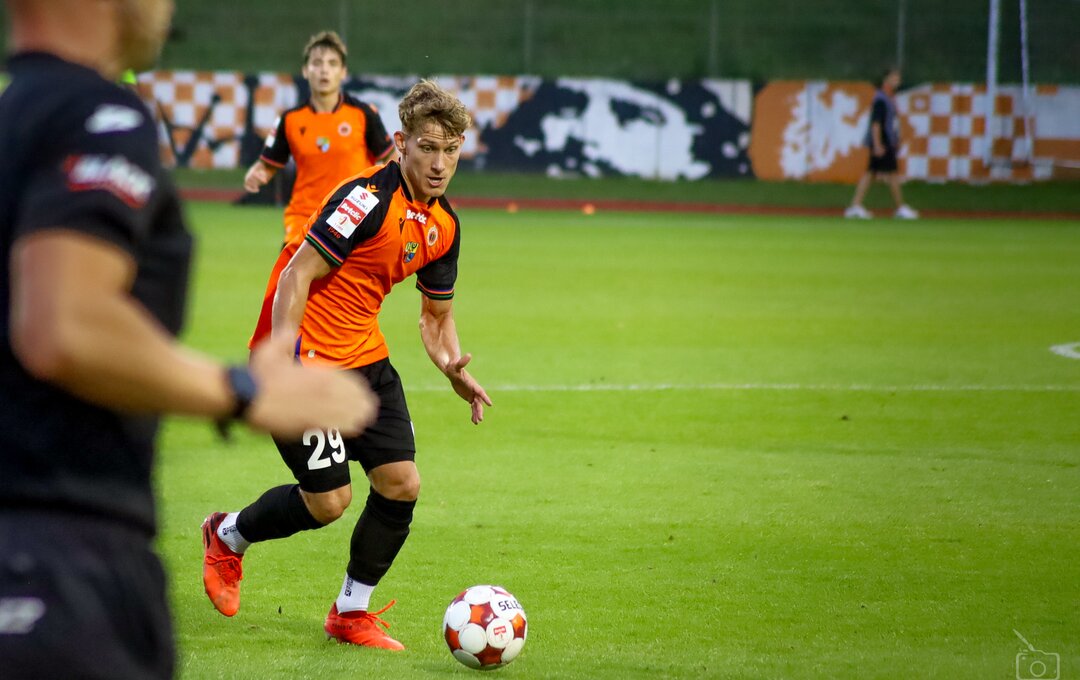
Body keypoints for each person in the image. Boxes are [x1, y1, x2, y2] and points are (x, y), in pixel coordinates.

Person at [0, 1, 378, 678]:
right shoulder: (99, 117)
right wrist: (241, 391)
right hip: (60, 554)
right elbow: (64, 325)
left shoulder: (17, 114)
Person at [201, 79, 492, 651]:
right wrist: (282, 362)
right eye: (428, 148)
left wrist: (450, 366)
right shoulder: (365, 200)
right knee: (329, 502)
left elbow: (436, 318)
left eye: (451, 150)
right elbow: (296, 275)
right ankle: (227, 535)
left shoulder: (445, 227)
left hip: (366, 360)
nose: (440, 164)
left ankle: (350, 612)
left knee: (402, 483)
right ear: (401, 144)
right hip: (302, 360)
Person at [243, 31, 395, 245]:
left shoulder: (364, 114)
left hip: (352, 218)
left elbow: (390, 158)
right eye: (317, 63)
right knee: (290, 267)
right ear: (305, 70)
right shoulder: (290, 119)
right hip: (304, 219)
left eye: (332, 63)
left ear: (343, 72)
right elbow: (268, 165)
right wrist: (257, 173)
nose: (324, 70)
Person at [845, 68, 919, 219]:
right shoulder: (881, 100)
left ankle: (855, 206)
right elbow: (876, 124)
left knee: (871, 173)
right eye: (894, 78)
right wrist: (878, 144)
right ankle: (900, 207)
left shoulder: (888, 98)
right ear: (886, 80)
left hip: (885, 141)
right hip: (882, 142)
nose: (898, 81)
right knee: (892, 174)